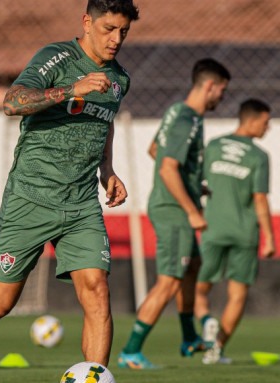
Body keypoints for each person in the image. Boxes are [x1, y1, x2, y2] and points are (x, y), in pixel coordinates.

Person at [0, 1, 139, 382]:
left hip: (82, 204)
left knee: (97, 292)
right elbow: (12, 102)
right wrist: (71, 88)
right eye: (108, 29)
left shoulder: (120, 79)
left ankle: (94, 377)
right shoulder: (57, 58)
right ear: (87, 22)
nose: (116, 39)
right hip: (29, 198)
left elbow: (105, 122)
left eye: (123, 31)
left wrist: (107, 169)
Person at [117, 58, 230, 369]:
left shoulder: (176, 112)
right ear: (210, 86)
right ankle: (130, 351)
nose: (222, 96)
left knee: (192, 266)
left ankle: (189, 337)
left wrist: (194, 186)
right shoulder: (188, 119)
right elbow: (167, 167)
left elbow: (156, 149)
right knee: (168, 281)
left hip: (175, 204)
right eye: (222, 90)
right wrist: (192, 209)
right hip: (174, 211)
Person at [195, 98, 276, 365]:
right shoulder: (259, 156)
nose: (268, 128)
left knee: (199, 289)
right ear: (251, 120)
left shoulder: (214, 146)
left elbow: (198, 184)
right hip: (245, 232)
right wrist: (269, 238)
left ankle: (207, 322)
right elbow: (260, 199)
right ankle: (216, 349)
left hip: (213, 228)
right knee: (238, 294)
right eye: (266, 122)